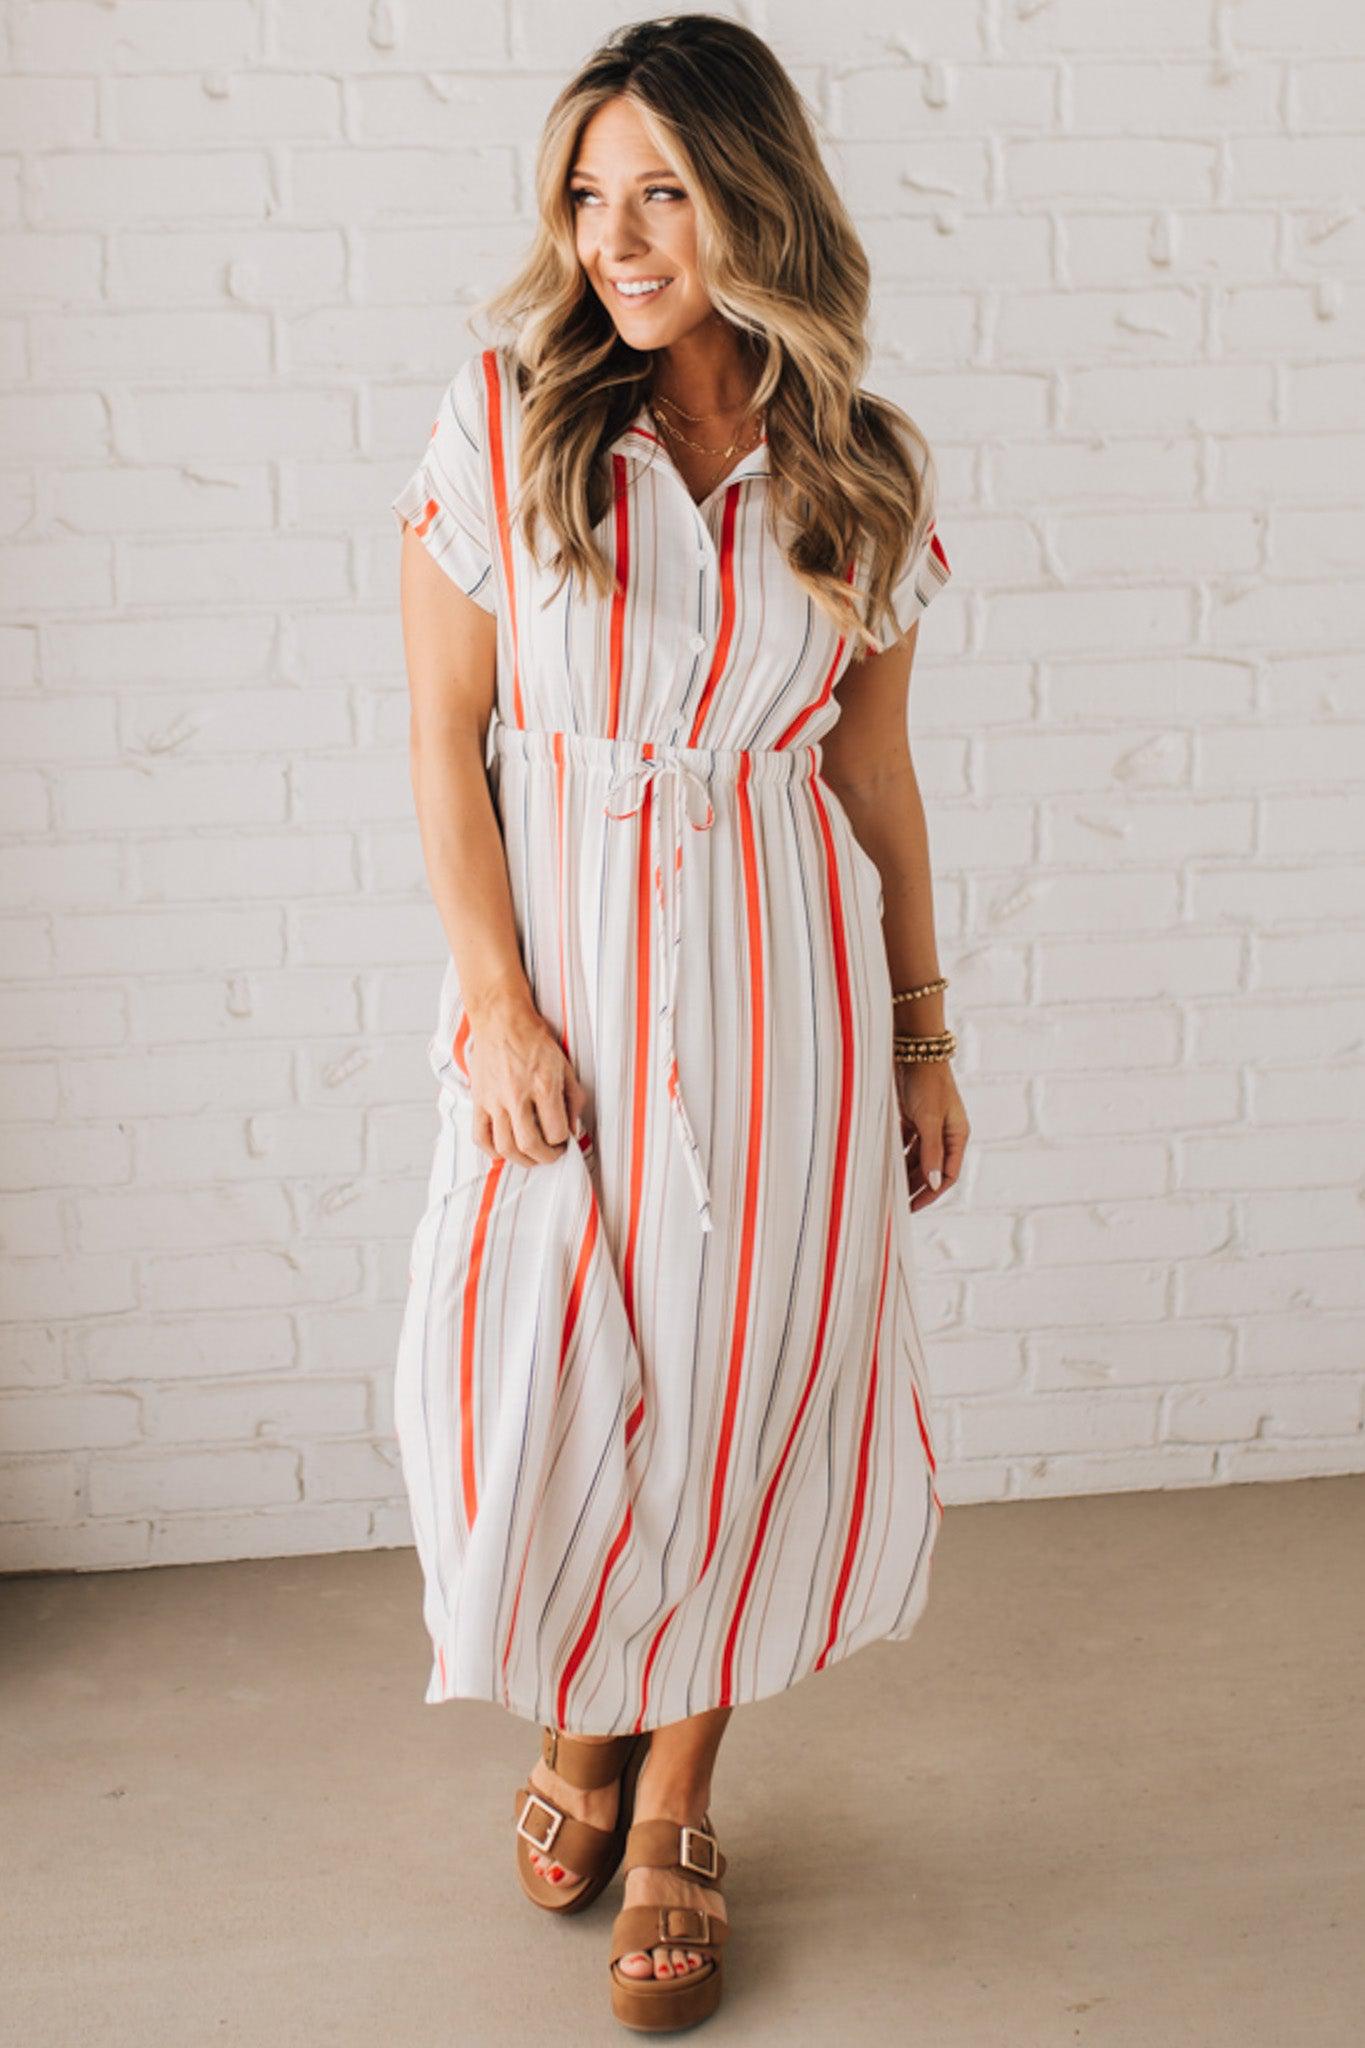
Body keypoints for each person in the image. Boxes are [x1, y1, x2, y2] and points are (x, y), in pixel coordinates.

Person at [389, 14, 970, 2032]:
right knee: (523, 1388)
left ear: (753, 195)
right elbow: (441, 739)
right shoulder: (505, 415)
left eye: (660, 190)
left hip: (781, 997)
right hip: (554, 987)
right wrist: (493, 1003)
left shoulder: (863, 467)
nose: (617, 235)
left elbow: (873, 784)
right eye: (586, 193)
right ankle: (576, 1718)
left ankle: (673, 1799)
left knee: (744, 1396)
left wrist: (917, 1029)